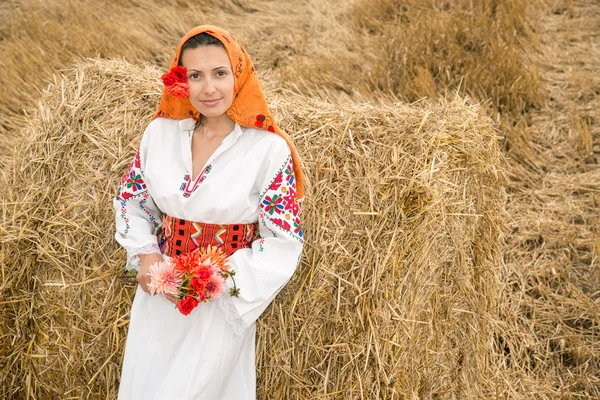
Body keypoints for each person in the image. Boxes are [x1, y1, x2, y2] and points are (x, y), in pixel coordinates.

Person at [113, 25, 305, 399]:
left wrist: (218, 281)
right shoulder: (160, 133)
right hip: (159, 296)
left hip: (221, 305)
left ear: (240, 74)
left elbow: (283, 241)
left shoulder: (268, 150)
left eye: (220, 73)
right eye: (195, 76)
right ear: (181, 81)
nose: (209, 88)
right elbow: (131, 200)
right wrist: (147, 257)